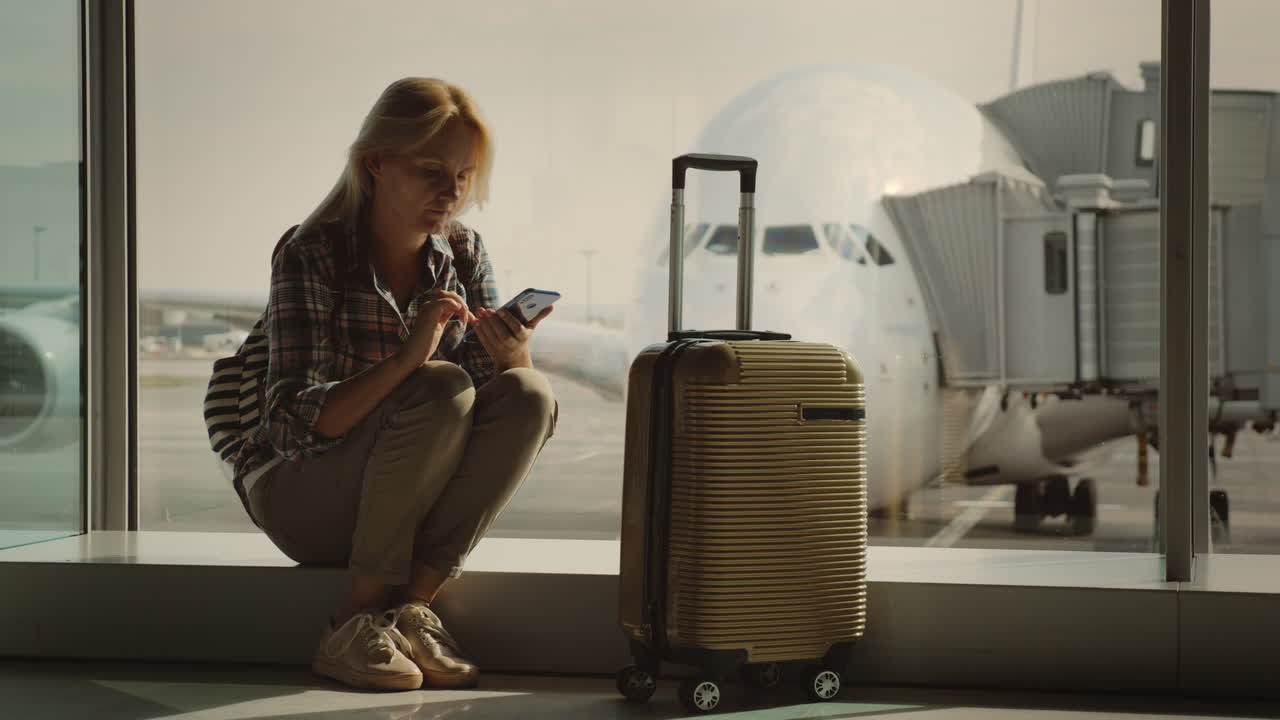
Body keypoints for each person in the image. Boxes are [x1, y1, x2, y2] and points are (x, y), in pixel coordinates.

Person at [234, 78, 558, 692]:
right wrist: (409, 360)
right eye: (431, 170)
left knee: (531, 395)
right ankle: (349, 621)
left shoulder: (463, 250)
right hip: (303, 492)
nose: (451, 192)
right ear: (375, 163)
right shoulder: (312, 251)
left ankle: (411, 610)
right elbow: (291, 424)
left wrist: (514, 357)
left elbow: (490, 405)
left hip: (404, 499)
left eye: (463, 175)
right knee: (436, 385)